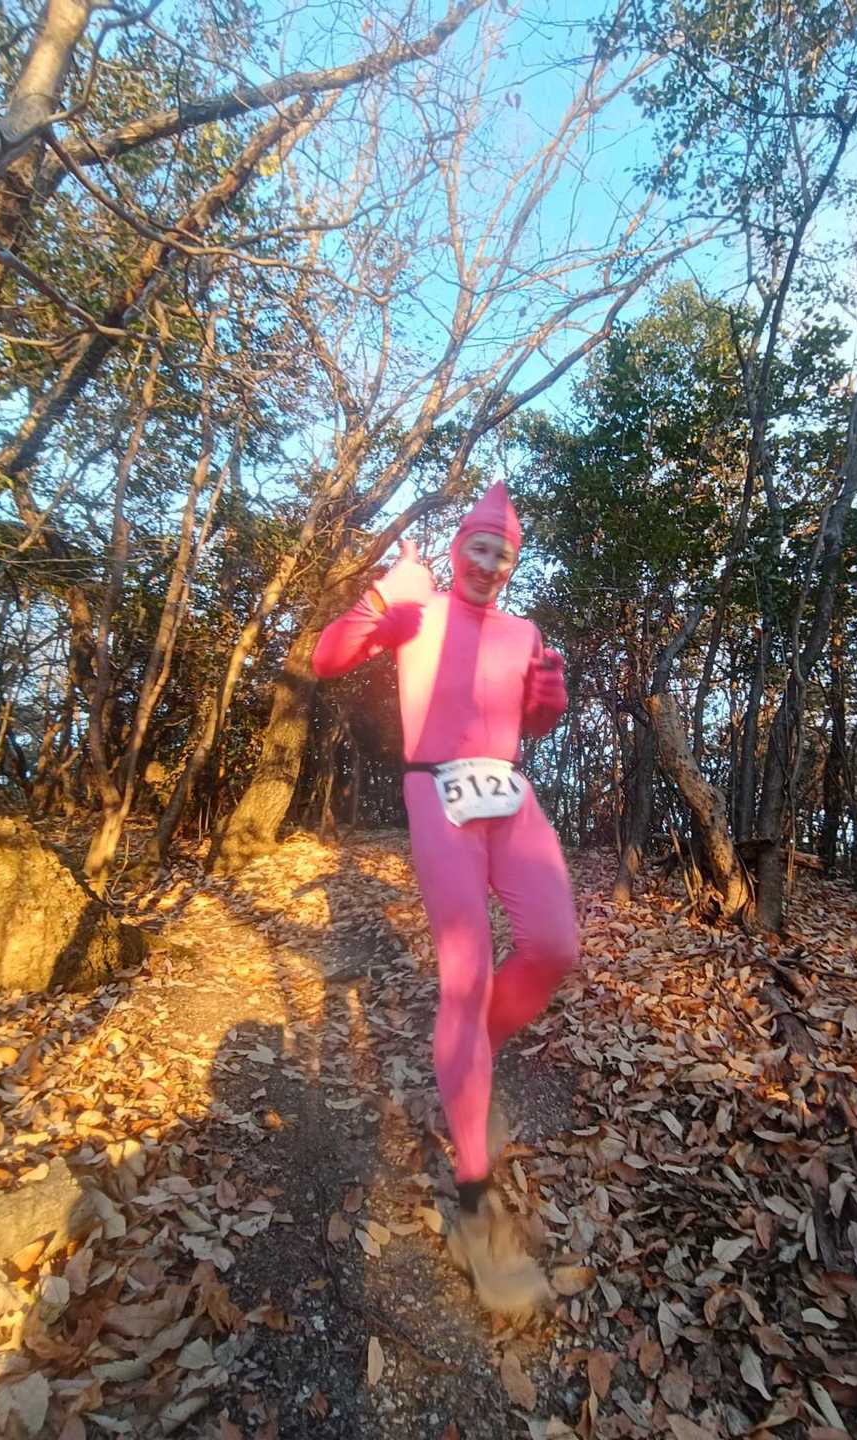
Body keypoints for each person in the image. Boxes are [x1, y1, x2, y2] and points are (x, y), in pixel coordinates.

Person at [312, 481, 578, 1312]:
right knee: (465, 976)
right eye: (480, 547)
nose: (490, 563)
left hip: (507, 792)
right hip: (435, 791)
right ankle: (474, 1203)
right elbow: (326, 659)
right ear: (460, 548)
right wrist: (377, 605)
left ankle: (471, 1055)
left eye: (505, 554)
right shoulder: (420, 608)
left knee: (555, 947)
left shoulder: (523, 632)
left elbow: (532, 724)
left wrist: (546, 703)